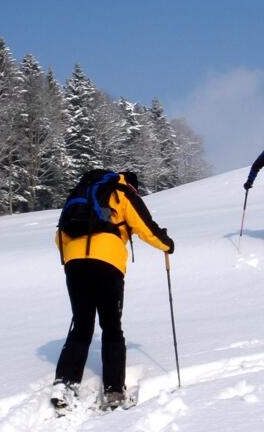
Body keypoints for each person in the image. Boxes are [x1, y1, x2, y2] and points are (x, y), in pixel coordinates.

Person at [52, 170, 174, 410]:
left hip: (75, 262)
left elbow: (60, 235)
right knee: (111, 326)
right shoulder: (122, 192)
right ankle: (114, 391)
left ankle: (64, 385)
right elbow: (144, 226)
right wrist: (167, 245)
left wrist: (73, 259)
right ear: (132, 184)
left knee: (82, 324)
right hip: (107, 261)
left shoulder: (82, 193)